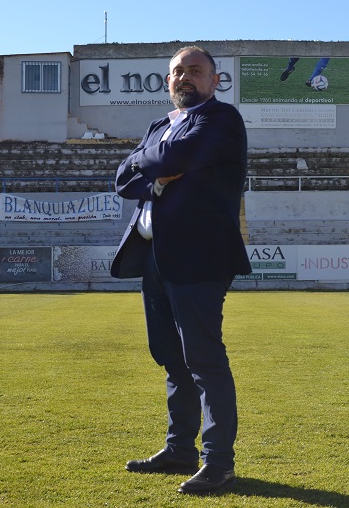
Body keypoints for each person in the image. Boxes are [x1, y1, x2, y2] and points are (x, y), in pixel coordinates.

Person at [110, 46, 252, 495]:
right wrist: (153, 171)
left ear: (214, 80)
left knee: (204, 361)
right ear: (167, 81)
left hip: (200, 256)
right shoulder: (160, 125)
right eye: (177, 72)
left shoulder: (221, 119)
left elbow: (166, 160)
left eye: (195, 71)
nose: (184, 78)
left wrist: (153, 162)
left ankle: (219, 462)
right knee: (171, 359)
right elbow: (122, 179)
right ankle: (180, 450)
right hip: (155, 256)